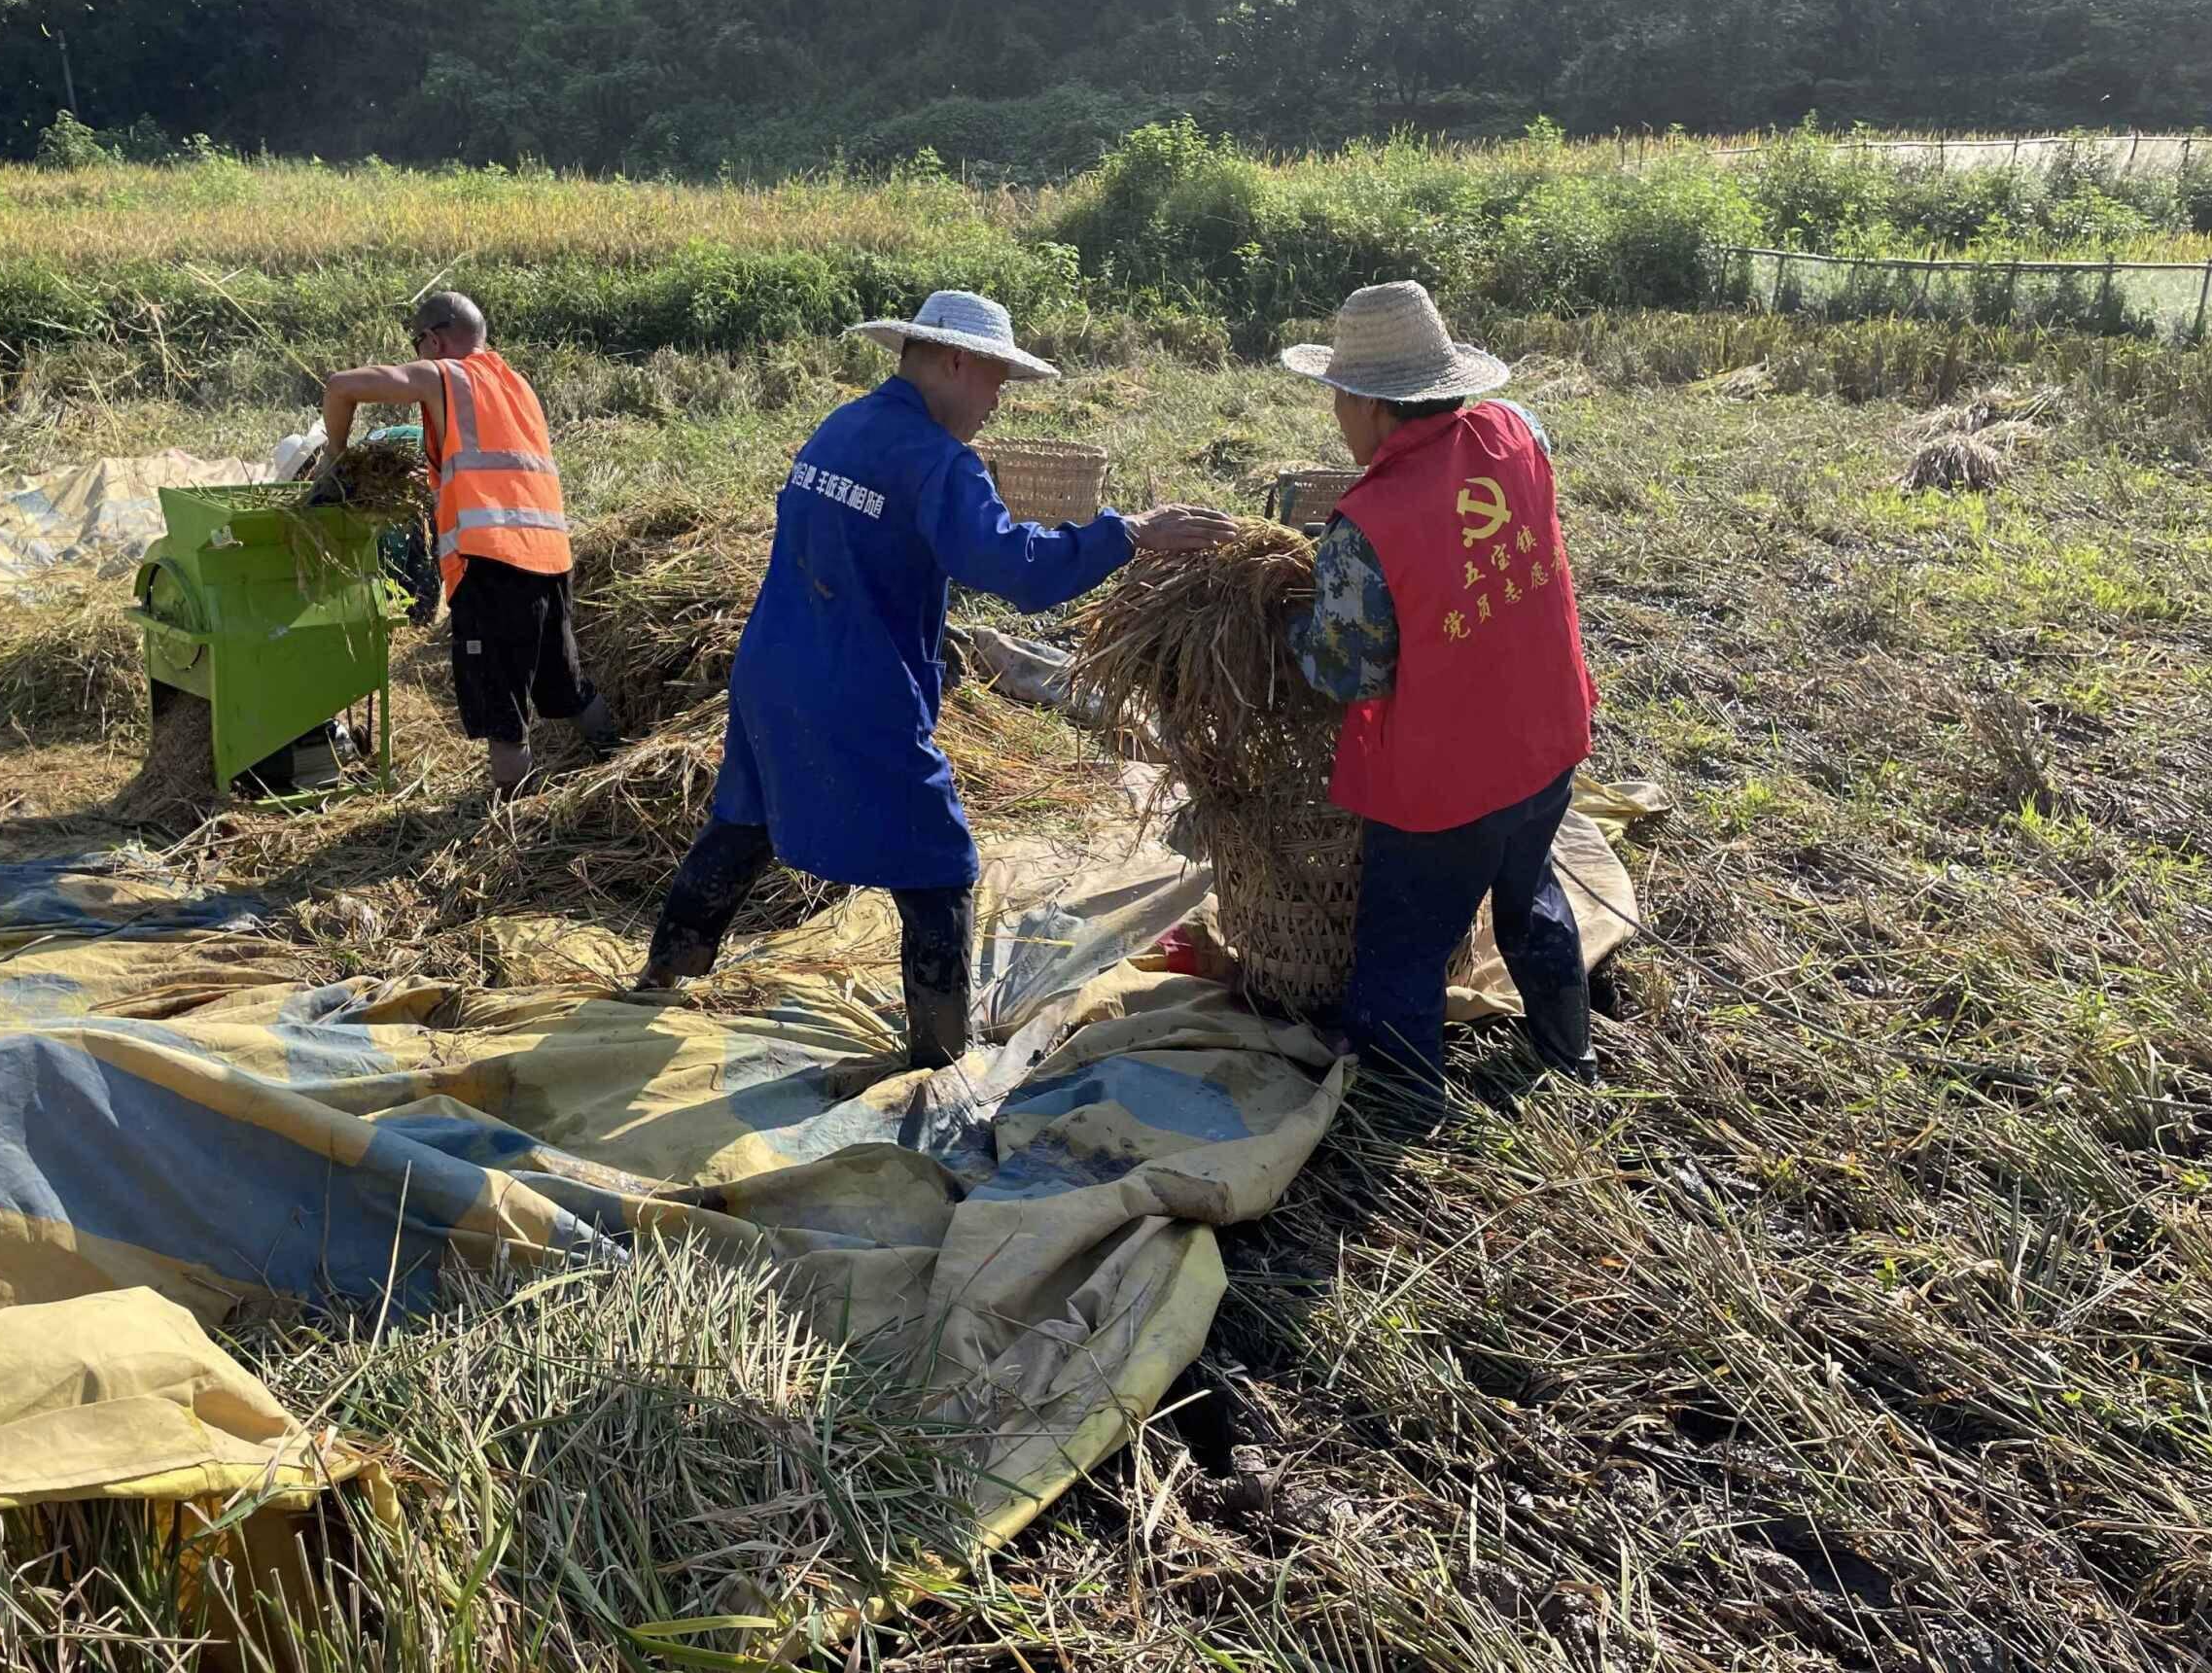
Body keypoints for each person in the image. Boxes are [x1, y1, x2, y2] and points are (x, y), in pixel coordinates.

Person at [636, 289, 1236, 1068]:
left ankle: (662, 975)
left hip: (772, 666)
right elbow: (1012, 569)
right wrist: (1125, 534)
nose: (994, 403)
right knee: (939, 863)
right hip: (856, 688)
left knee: (745, 822)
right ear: (955, 362)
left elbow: (853, 548)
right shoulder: (937, 460)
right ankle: (939, 1057)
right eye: (993, 381)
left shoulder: (842, 427)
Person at [1280, 281, 1599, 1099]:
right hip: (1547, 738)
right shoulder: (1517, 429)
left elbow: (1348, 671)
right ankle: (1570, 1048)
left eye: (1337, 402)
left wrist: (1288, 629)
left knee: (1404, 946)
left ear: (1369, 403)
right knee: (1530, 894)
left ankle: (1402, 1112)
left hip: (1445, 782)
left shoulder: (1366, 527)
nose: (1335, 420)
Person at [317, 291, 618, 792]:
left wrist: (334, 453)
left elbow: (341, 386)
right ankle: (621, 764)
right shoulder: (518, 385)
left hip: (492, 565)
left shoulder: (446, 376)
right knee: (567, 687)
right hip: (551, 560)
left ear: (433, 339)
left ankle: (511, 833)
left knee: (503, 714)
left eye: (418, 343)